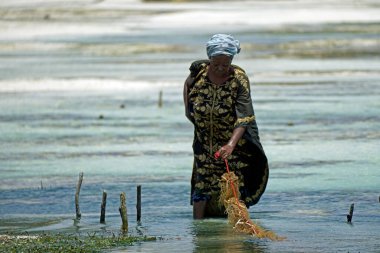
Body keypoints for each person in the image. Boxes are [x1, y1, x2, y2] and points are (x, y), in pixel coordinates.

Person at [183, 34, 269, 219]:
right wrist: (187, 110)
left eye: (225, 64)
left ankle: (236, 228)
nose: (221, 69)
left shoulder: (238, 79)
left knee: (233, 185)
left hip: (234, 146)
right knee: (202, 183)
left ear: (231, 59)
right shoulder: (199, 72)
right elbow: (188, 84)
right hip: (204, 142)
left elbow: (245, 117)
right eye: (216, 65)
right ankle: (199, 230)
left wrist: (231, 144)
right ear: (210, 59)